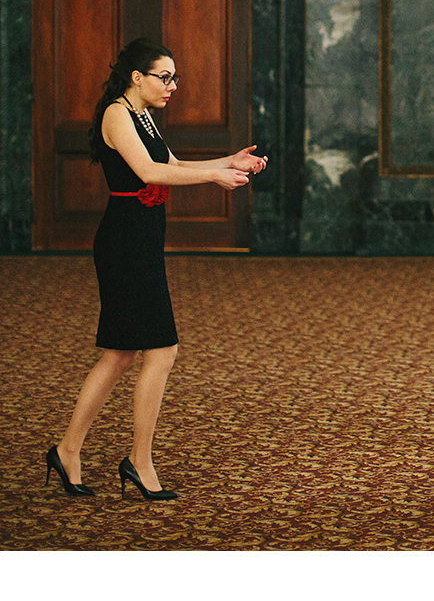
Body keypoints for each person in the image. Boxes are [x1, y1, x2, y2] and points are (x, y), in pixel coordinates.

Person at [44, 37, 267, 501]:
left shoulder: (142, 114)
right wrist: (214, 176)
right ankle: (138, 462)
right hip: (124, 243)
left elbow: (171, 164)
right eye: (164, 77)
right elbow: (149, 173)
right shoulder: (116, 114)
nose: (172, 86)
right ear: (136, 77)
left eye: (174, 78)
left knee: (119, 354)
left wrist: (229, 161)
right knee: (162, 350)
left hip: (141, 239)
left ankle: (67, 452)